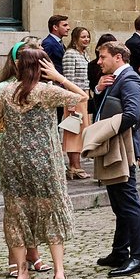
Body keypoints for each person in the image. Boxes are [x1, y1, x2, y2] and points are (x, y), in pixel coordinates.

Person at [0, 46, 83, 279]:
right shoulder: (46, 91)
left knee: (16, 213)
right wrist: (59, 77)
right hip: (44, 159)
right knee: (51, 209)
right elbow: (81, 96)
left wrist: (16, 132)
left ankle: (22, 272)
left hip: (13, 160)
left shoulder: (5, 91)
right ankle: (59, 272)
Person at [88, 42, 140, 277]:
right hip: (115, 148)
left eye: (102, 57)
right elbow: (102, 109)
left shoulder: (130, 79)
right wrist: (98, 90)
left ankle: (139, 257)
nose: (99, 62)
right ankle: (120, 251)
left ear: (118, 57)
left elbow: (132, 115)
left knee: (128, 202)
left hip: (123, 149)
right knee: (119, 202)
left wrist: (102, 132)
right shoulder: (114, 80)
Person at [57, 27, 93, 180]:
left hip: (84, 96)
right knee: (74, 132)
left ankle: (76, 165)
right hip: (75, 97)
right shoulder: (70, 54)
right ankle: (74, 166)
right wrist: (71, 102)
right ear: (75, 38)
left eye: (88, 36)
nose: (86, 39)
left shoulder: (84, 54)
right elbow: (68, 79)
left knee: (82, 131)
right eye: (83, 37)